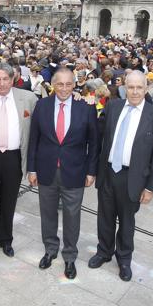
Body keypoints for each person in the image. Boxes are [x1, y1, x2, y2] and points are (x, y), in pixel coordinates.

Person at [88, 70, 153, 282]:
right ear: (124, 87)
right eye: (130, 87)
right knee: (104, 218)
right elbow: (97, 134)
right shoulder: (113, 107)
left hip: (132, 178)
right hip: (108, 173)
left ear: (146, 88)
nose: (134, 91)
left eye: (139, 87)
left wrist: (150, 187)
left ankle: (124, 260)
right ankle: (103, 252)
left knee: (126, 222)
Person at [27, 68, 98, 279]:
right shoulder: (42, 106)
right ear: (53, 85)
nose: (65, 89)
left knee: (72, 216)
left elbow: (94, 144)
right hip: (46, 170)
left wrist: (91, 171)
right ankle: (50, 250)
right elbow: (34, 140)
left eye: (69, 84)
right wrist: (32, 168)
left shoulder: (85, 108)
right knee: (47, 214)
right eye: (60, 84)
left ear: (74, 85)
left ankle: (69, 256)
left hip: (75, 171)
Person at [0, 63, 38, 257]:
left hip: (14, 157)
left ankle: (6, 239)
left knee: (10, 201)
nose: (1, 84)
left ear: (13, 79)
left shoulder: (28, 98)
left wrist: (79, 96)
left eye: (5, 79)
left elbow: (41, 123)